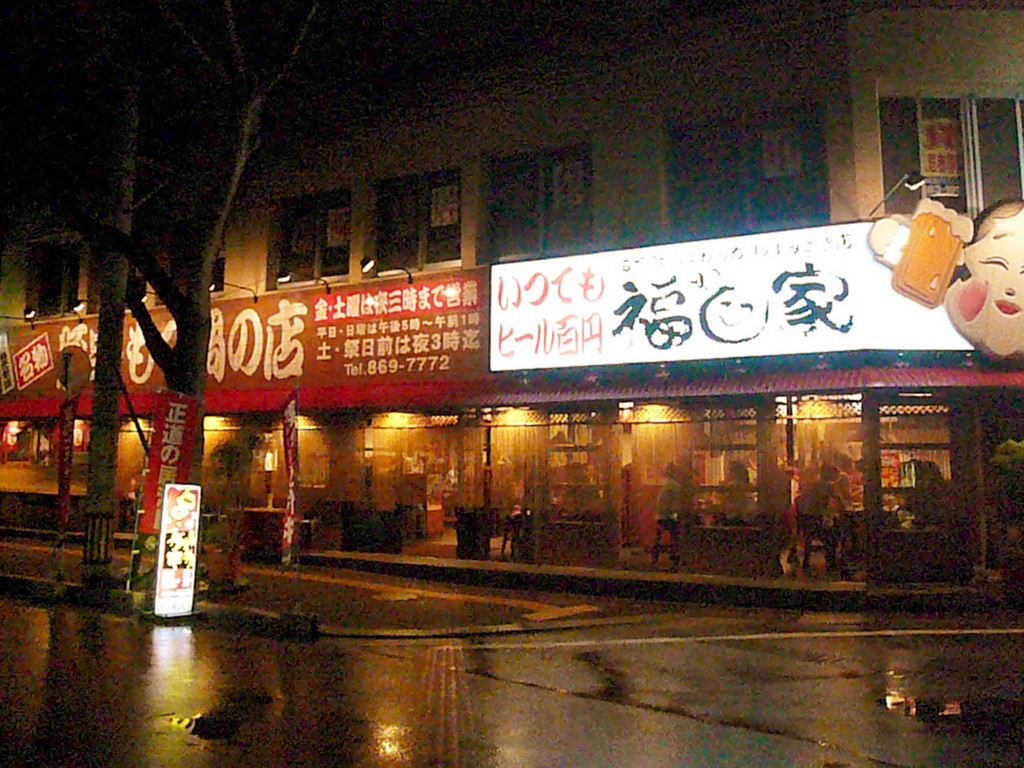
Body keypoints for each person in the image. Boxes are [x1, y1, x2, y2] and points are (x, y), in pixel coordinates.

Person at [795, 463, 842, 574]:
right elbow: (839, 500)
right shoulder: (827, 486)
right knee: (836, 531)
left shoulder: (813, 485)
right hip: (816, 521)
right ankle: (831, 561)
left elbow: (799, 500)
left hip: (806, 520)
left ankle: (808, 560)